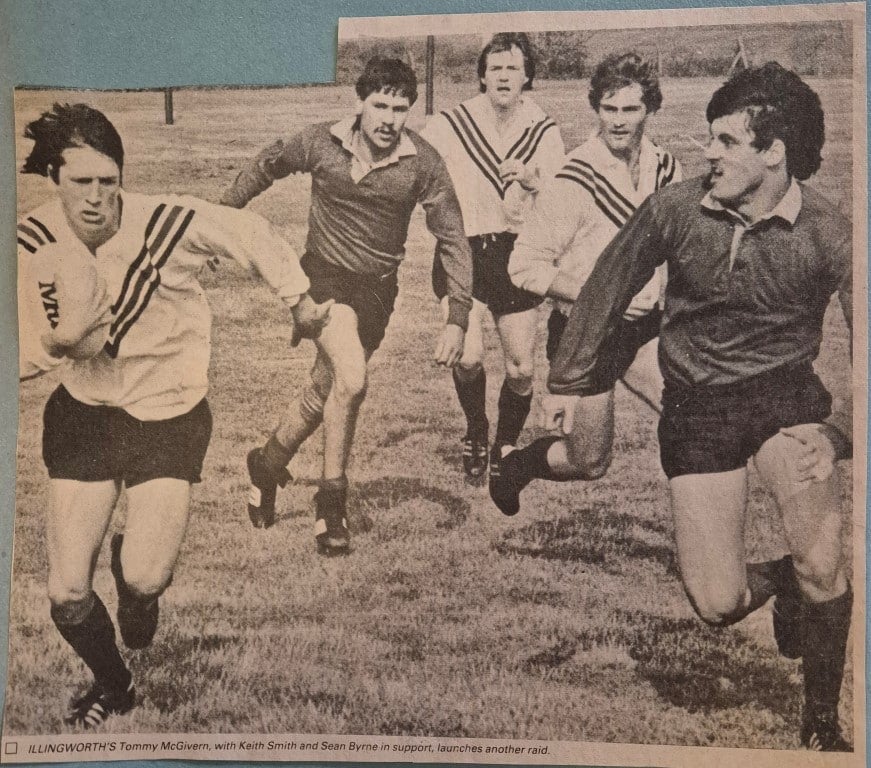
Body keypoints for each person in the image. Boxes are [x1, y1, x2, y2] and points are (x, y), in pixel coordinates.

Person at [546, 64, 853, 751]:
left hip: (785, 400)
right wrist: (567, 383)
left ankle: (820, 726)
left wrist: (839, 432)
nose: (706, 153)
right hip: (698, 409)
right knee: (715, 603)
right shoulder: (675, 209)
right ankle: (785, 583)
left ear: (772, 152)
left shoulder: (830, 234)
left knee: (823, 558)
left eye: (723, 140)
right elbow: (602, 290)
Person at [20, 102, 328, 728]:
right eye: (81, 182)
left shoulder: (164, 223)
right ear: (54, 179)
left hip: (168, 417)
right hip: (84, 416)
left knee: (146, 579)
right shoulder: (33, 243)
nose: (97, 197)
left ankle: (135, 583)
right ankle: (115, 685)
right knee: (67, 594)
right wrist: (55, 343)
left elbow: (251, 234)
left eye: (109, 181)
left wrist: (298, 300)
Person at [222, 57, 473, 553]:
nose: (388, 118)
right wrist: (219, 218)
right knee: (353, 379)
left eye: (400, 108)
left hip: (378, 288)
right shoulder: (321, 142)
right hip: (321, 277)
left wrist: (457, 316)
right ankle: (330, 507)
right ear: (359, 102)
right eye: (379, 105)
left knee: (326, 391)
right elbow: (267, 163)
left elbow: (453, 239)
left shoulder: (421, 162)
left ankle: (267, 464)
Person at [490, 52, 680, 516]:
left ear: (649, 109)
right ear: (596, 108)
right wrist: (607, 295)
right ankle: (515, 466)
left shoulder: (666, 169)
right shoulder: (574, 175)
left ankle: (703, 541)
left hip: (642, 331)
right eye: (608, 109)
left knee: (691, 419)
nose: (618, 121)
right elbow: (524, 267)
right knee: (588, 461)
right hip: (584, 334)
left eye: (630, 109)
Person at [421, 32, 565, 482]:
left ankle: (505, 444)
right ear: (482, 75)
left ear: (527, 77)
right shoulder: (452, 123)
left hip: (515, 253)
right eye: (495, 67)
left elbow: (563, 199)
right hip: (462, 249)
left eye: (513, 68)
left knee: (522, 368)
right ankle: (476, 430)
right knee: (467, 357)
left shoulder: (543, 130)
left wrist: (533, 181)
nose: (504, 76)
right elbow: (415, 165)